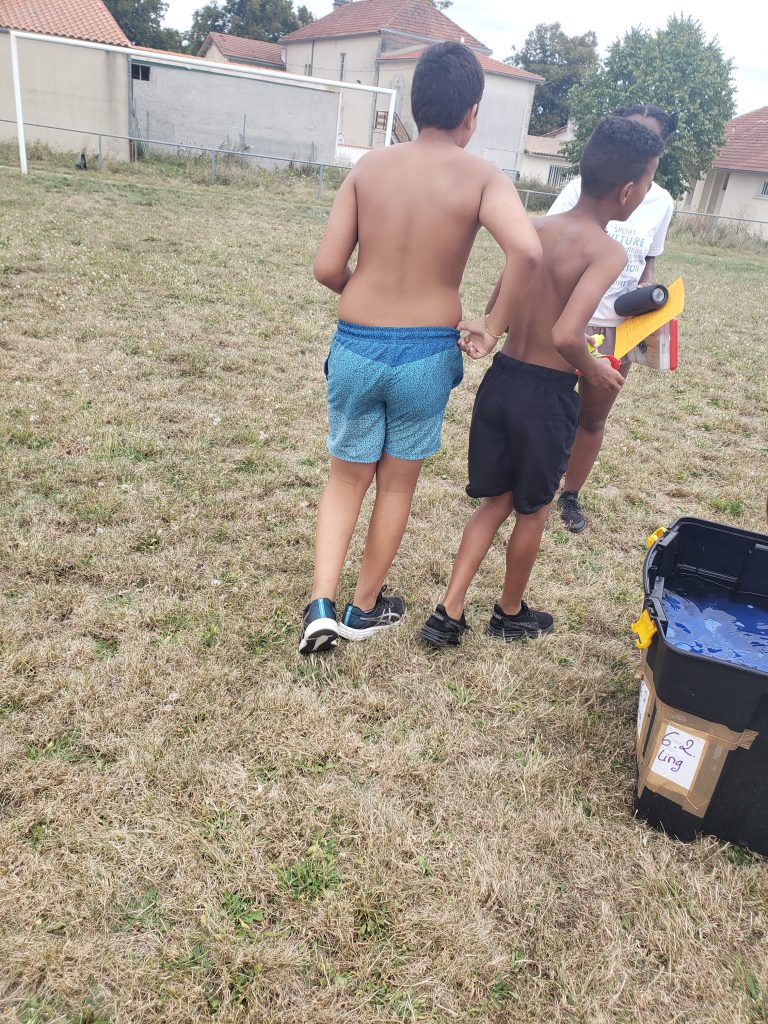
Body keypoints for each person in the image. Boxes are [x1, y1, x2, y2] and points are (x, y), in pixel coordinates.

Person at [299, 42, 542, 655]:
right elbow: (526, 251)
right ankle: (364, 607)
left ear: (413, 104)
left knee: (345, 480)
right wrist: (491, 325)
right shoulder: (483, 177)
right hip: (427, 353)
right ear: (472, 113)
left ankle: (320, 605)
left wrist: (364, 291)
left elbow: (326, 267)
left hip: (357, 344)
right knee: (396, 486)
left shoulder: (368, 169)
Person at [420, 117, 664, 647]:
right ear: (628, 191)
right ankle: (509, 611)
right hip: (547, 397)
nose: (646, 192)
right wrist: (595, 369)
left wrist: (488, 331)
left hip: (502, 382)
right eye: (648, 182)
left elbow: (497, 310)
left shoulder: (532, 227)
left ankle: (448, 610)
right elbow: (566, 333)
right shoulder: (607, 251)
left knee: (494, 502)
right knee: (533, 509)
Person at [549, 104, 678, 534]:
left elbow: (648, 261)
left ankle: (570, 495)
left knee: (593, 416)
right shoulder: (580, 186)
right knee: (547, 407)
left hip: (616, 330)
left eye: (649, 139)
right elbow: (550, 240)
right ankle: (531, 482)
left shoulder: (661, 202)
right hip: (567, 319)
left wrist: (649, 298)